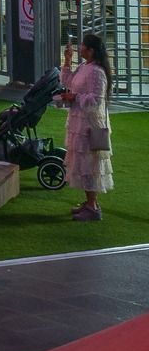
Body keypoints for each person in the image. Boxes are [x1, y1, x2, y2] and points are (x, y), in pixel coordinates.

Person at [62, 32, 113, 223]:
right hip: (79, 123)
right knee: (82, 164)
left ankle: (92, 206)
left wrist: (75, 98)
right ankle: (89, 202)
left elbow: (95, 101)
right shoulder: (85, 67)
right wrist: (67, 60)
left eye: (83, 45)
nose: (79, 47)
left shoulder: (97, 72)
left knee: (89, 164)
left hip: (90, 127)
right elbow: (68, 82)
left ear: (90, 50)